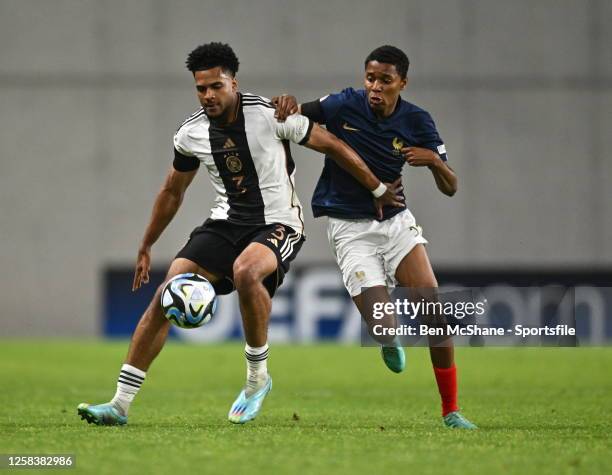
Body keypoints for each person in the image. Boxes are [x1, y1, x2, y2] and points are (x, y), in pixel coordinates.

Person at [77, 42, 403, 426]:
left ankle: (256, 381)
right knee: (168, 292)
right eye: (201, 88)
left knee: (248, 271)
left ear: (234, 82)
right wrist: (147, 244)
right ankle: (119, 404)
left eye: (216, 86)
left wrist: (378, 189)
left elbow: (332, 145)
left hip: (279, 222)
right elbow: (172, 190)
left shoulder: (272, 115)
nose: (209, 96)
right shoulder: (191, 133)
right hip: (226, 222)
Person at [273, 45, 477, 429]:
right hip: (349, 227)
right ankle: (386, 340)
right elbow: (297, 112)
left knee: (434, 312)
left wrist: (434, 161)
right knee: (385, 326)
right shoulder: (344, 104)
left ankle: (451, 410)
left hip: (396, 222)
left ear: (402, 82)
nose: (375, 87)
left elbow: (451, 186)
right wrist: (286, 102)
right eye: (370, 78)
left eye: (385, 80)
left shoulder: (417, 120)